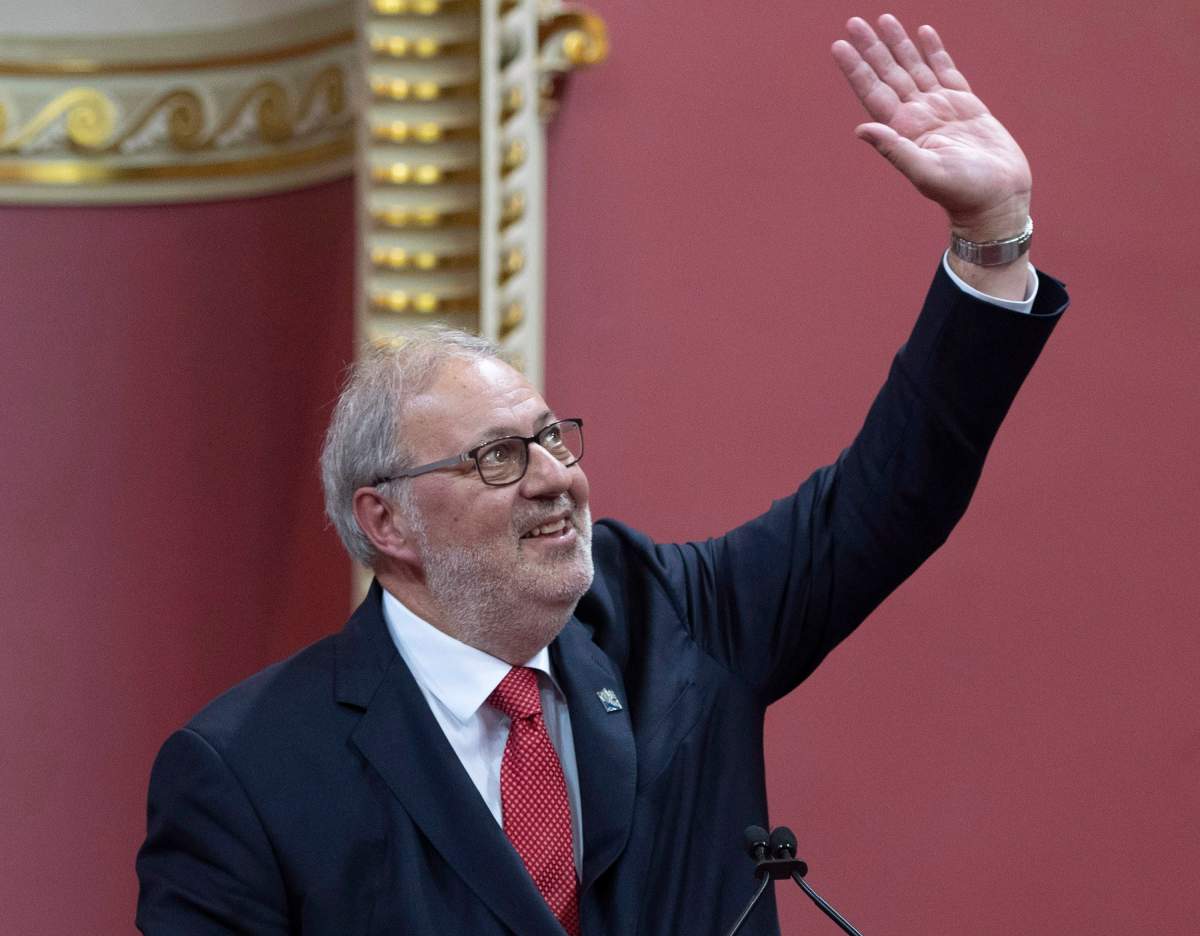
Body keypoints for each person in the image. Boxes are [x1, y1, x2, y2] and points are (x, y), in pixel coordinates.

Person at [136, 14, 1068, 935]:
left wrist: (990, 236)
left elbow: (893, 493)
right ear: (386, 521)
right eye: (498, 458)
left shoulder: (678, 622)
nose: (553, 477)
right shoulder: (249, 771)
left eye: (552, 438)